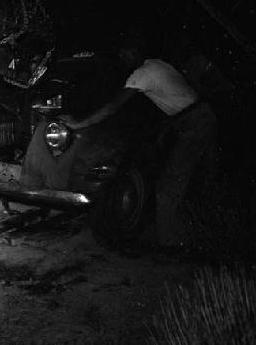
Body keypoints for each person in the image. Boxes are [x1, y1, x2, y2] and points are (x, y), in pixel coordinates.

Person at [61, 37, 217, 251]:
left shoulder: (142, 74)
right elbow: (175, 95)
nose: (123, 57)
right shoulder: (156, 63)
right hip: (198, 117)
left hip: (195, 123)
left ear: (135, 52)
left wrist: (79, 123)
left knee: (168, 187)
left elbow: (113, 106)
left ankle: (174, 245)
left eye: (125, 53)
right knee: (194, 177)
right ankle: (201, 230)